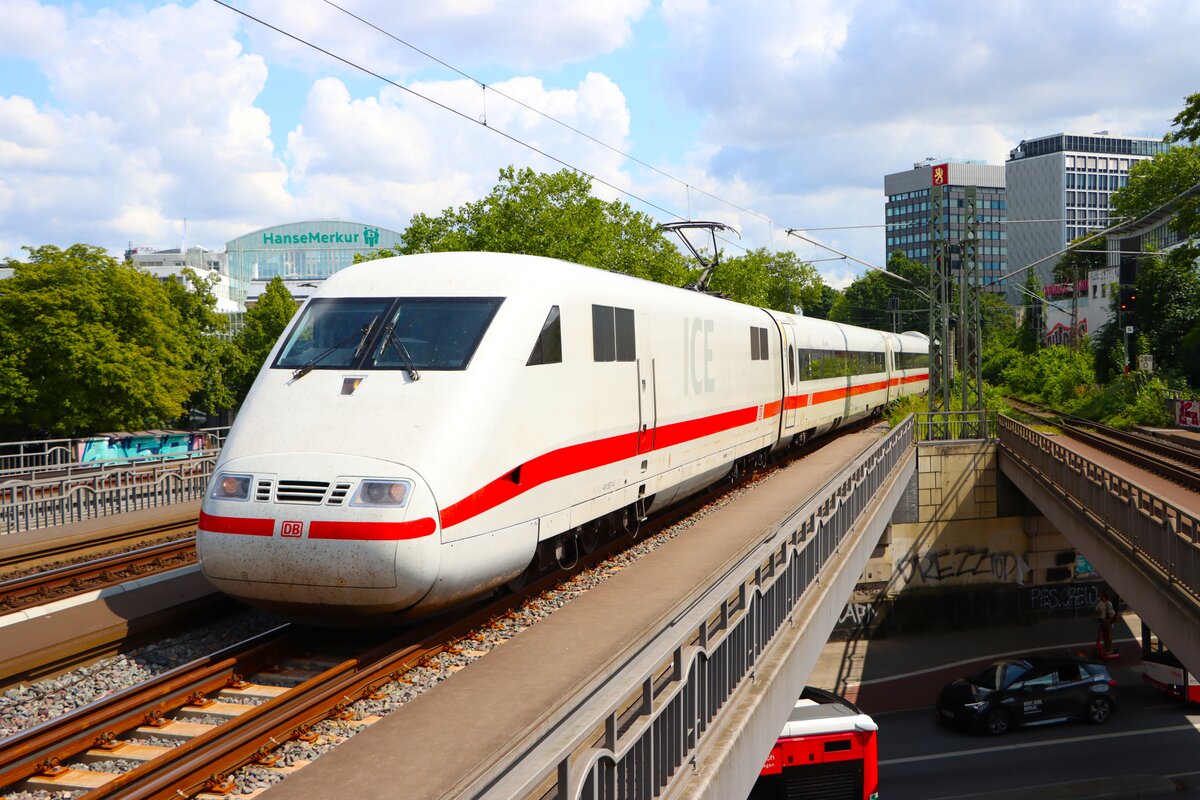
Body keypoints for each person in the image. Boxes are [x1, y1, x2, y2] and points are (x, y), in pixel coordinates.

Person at [1095, 591, 1116, 656]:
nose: (1100, 597)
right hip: (1102, 621)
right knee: (1104, 636)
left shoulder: (1108, 603)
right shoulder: (1100, 603)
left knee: (1108, 636)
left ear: (1104, 596)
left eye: (1101, 596)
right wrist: (1098, 615)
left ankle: (1110, 649)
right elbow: (1097, 609)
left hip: (1107, 621)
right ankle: (1106, 648)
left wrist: (1109, 620)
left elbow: (1112, 613)